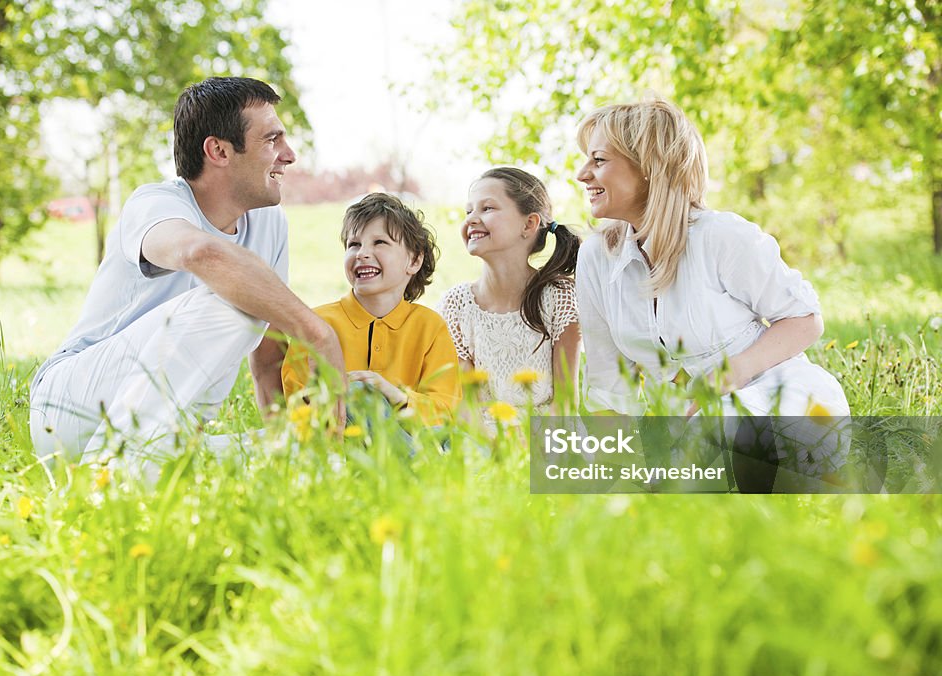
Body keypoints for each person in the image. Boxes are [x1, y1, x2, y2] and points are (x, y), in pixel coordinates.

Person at [29, 77, 346, 463]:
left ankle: (134, 465)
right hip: (70, 409)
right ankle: (112, 479)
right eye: (271, 140)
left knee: (296, 450)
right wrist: (317, 333)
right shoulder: (155, 204)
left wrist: (287, 430)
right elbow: (200, 253)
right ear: (218, 150)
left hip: (166, 433)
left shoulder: (269, 224)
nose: (289, 154)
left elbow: (268, 355)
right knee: (234, 296)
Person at [574, 98, 849, 484]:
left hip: (775, 401)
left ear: (648, 167)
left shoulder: (721, 236)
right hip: (683, 426)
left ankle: (763, 527)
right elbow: (607, 383)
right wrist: (617, 470)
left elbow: (804, 319)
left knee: (731, 425)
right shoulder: (595, 259)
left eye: (599, 160)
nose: (582, 174)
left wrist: (724, 378)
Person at [281, 193, 461, 425]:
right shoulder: (316, 323)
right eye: (353, 244)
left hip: (412, 441)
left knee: (468, 443)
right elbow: (297, 406)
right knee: (355, 393)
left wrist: (394, 395)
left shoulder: (430, 326)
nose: (362, 253)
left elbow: (444, 411)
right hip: (340, 442)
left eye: (380, 242)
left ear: (414, 261)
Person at [439, 167, 581, 417]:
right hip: (485, 442)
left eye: (487, 208)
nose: (471, 218)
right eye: (469, 210)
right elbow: (465, 407)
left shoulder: (560, 297)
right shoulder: (457, 304)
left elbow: (565, 404)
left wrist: (526, 447)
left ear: (529, 224)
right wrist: (496, 445)